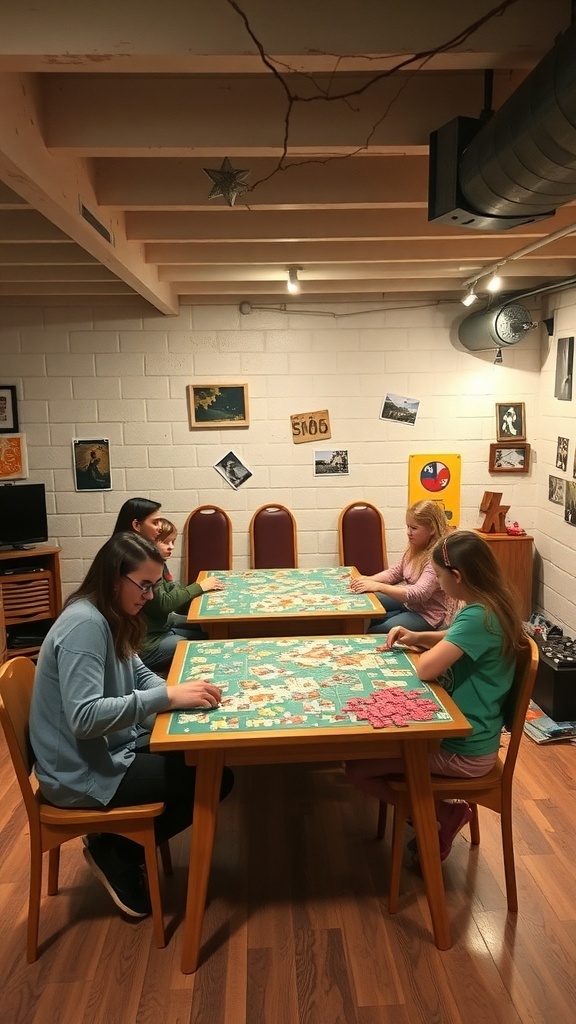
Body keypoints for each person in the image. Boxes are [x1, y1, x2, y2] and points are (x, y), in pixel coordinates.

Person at [29, 532, 234, 918]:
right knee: (214, 776)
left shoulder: (112, 615)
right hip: (79, 772)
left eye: (154, 586)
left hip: (104, 750)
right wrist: (169, 698)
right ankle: (116, 852)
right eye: (144, 585)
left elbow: (141, 676)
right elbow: (85, 717)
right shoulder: (85, 626)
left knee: (201, 761)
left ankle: (116, 846)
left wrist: (178, 692)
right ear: (113, 579)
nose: (151, 596)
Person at [346, 530, 530, 861]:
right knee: (374, 744)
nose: (439, 586)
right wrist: (418, 635)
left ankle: (442, 814)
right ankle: (436, 813)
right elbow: (453, 637)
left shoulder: (476, 615)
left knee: (357, 768)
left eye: (441, 578)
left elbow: (426, 669)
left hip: (463, 750)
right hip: (475, 736)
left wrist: (422, 645)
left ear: (457, 577)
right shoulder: (493, 605)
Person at [349, 500, 450, 634]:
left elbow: (419, 593)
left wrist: (379, 586)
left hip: (427, 615)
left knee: (377, 630)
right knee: (365, 601)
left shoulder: (436, 556)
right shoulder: (415, 548)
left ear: (432, 529)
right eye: (407, 527)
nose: (409, 532)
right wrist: (368, 580)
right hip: (410, 604)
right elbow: (395, 573)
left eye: (414, 528)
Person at [140, 517, 225, 671]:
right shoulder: (147, 567)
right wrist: (199, 587)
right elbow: (165, 604)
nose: (171, 547)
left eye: (172, 542)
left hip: (162, 624)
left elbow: (174, 589)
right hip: (148, 641)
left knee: (205, 629)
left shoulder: (161, 563)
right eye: (165, 542)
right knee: (189, 644)